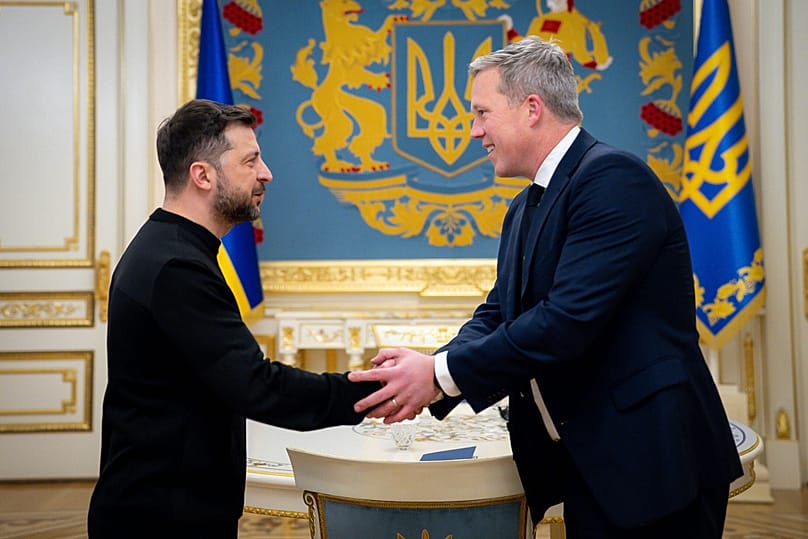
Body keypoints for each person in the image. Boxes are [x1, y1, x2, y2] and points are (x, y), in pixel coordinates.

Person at [349, 36, 742, 538]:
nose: (474, 132)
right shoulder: (524, 206)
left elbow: (564, 323)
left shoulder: (613, 180)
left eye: (482, 113)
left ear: (531, 108)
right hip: (593, 463)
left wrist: (439, 375)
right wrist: (428, 372)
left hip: (652, 464)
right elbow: (498, 313)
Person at [87, 99, 379, 538]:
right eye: (251, 161)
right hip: (161, 518)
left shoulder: (172, 249)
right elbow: (257, 386)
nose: (266, 173)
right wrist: (375, 393)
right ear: (202, 175)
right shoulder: (176, 267)